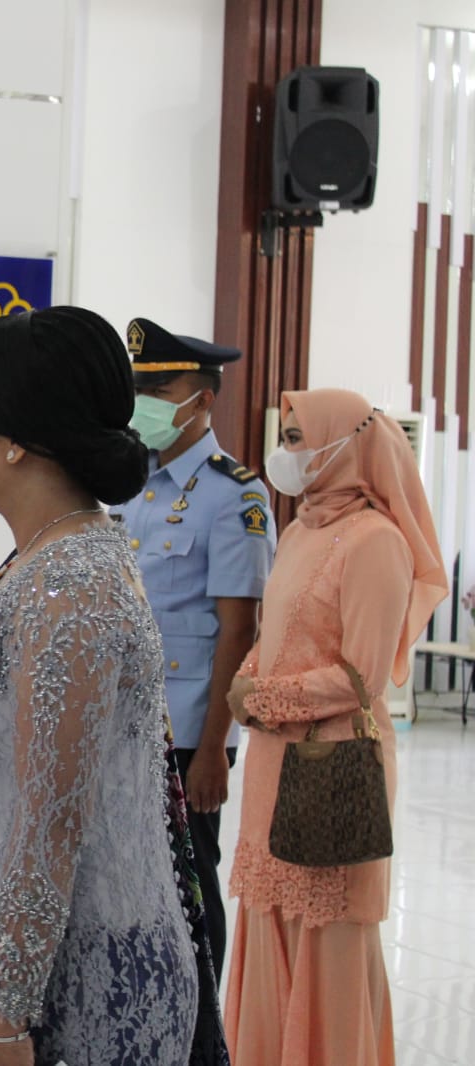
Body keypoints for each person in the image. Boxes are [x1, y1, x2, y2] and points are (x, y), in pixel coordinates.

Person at [0, 306, 197, 1065]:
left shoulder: (70, 585)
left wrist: (6, 1024)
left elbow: (51, 821)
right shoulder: (52, 558)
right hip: (20, 953)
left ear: (17, 437)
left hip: (72, 981)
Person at [224, 390, 445, 1066]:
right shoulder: (299, 529)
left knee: (328, 933)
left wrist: (262, 696)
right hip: (272, 760)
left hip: (335, 766)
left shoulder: (378, 542)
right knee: (270, 922)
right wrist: (247, 678)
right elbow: (278, 631)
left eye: (296, 438)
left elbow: (359, 679)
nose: (285, 452)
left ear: (344, 447)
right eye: (285, 436)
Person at [113, 317, 275, 977]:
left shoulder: (233, 495)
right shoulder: (130, 480)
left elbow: (240, 632)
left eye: (159, 386)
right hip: (120, 718)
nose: (143, 401)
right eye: (139, 386)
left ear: (203, 399)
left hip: (184, 731)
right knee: (125, 881)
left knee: (188, 885)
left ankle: (199, 1021)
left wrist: (214, 750)